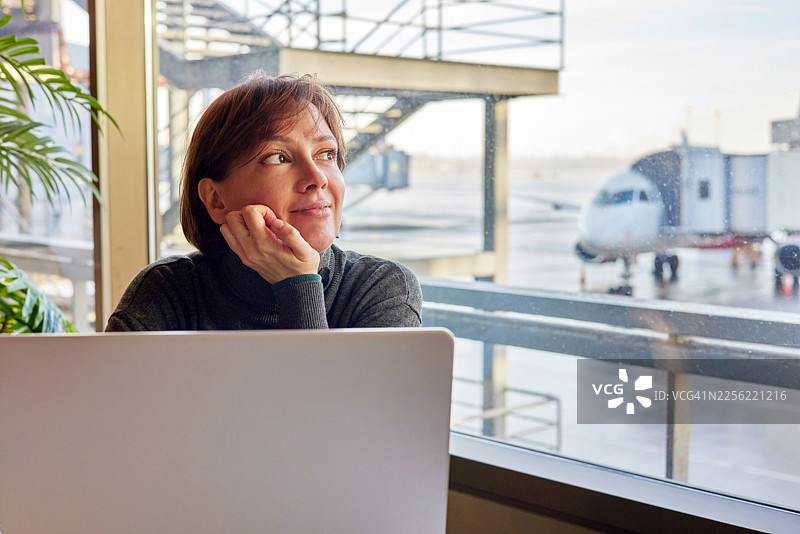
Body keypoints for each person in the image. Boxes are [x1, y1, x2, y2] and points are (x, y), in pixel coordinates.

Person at [105, 72, 422, 331]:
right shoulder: (167, 292)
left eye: (327, 154)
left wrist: (296, 284)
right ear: (216, 199)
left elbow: (328, 410)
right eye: (278, 157)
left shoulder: (381, 289)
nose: (318, 177)